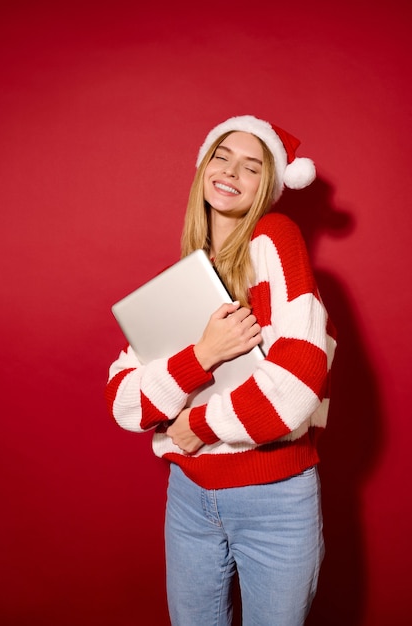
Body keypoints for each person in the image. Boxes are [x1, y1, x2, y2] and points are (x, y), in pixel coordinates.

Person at [105, 115, 337, 626]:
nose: (231, 170)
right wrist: (204, 354)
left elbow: (296, 385)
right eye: (221, 155)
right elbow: (123, 402)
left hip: (273, 499)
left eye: (251, 166)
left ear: (267, 186)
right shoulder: (188, 277)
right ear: (203, 167)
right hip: (188, 499)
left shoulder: (276, 238)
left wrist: (195, 423)